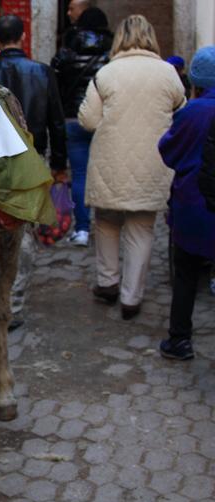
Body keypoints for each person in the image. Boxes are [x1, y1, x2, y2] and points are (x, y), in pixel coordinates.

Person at [78, 14, 186, 320]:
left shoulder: (106, 73)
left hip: (110, 161)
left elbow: (88, 120)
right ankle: (131, 298)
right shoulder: (168, 73)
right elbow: (182, 114)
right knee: (142, 229)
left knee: (107, 222)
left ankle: (108, 282)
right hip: (153, 161)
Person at [0, 14, 68, 330]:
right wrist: (58, 165)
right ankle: (12, 302)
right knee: (23, 228)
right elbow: (57, 121)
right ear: (23, 36)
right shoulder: (42, 72)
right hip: (33, 157)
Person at [157, 46, 215, 360]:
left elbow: (169, 152)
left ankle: (180, 341)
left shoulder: (191, 112)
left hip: (194, 205)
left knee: (187, 273)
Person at [52, 7, 113, 247]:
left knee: (79, 175)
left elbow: (55, 82)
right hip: (104, 120)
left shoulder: (67, 51)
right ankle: (106, 225)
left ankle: (82, 229)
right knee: (106, 174)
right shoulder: (112, 54)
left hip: (73, 118)